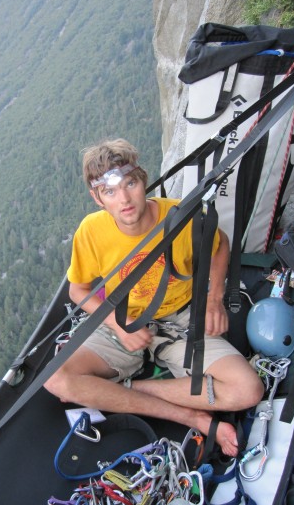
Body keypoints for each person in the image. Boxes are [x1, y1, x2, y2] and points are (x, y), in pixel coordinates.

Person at [44, 139, 264, 457]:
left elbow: (221, 244)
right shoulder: (91, 232)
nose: (125, 200)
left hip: (182, 315)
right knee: (57, 378)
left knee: (248, 389)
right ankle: (190, 415)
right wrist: (120, 326)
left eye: (130, 183)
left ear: (143, 179)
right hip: (124, 318)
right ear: (97, 197)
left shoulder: (182, 217)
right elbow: (77, 290)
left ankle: (126, 391)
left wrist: (215, 299)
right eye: (110, 192)